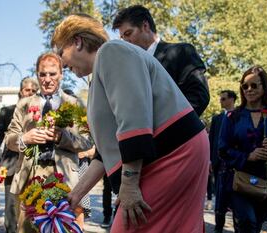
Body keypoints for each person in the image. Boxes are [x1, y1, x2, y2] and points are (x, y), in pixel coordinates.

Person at [52, 14, 209, 232]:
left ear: (77, 41)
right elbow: (104, 154)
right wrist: (76, 194)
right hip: (172, 153)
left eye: (61, 52)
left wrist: (129, 184)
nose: (63, 62)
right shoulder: (103, 68)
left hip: (172, 155)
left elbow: (133, 119)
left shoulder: (110, 52)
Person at [4, 52, 93, 233]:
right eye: (42, 74)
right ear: (37, 74)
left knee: (63, 229)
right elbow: (9, 139)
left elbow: (87, 141)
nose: (47, 79)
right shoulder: (24, 104)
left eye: (52, 74)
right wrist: (24, 139)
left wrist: (62, 137)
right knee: (27, 229)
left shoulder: (75, 104)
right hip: (30, 176)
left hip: (64, 176)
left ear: (61, 74)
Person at [112, 5, 209, 116]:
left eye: (128, 33)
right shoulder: (131, 69)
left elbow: (199, 96)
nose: (126, 41)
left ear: (145, 26)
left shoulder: (182, 52)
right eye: (122, 38)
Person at [218, 66, 267, 232]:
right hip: (239, 181)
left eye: (254, 85)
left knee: (256, 225)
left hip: (265, 183)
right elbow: (222, 149)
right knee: (247, 222)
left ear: (264, 87)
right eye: (245, 86)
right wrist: (248, 156)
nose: (249, 90)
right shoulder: (233, 117)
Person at [0, 77, 39, 229]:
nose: (30, 93)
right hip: (12, 165)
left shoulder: (42, 111)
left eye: (34, 91)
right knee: (11, 212)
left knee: (32, 213)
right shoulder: (7, 111)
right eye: (28, 90)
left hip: (35, 168)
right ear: (21, 91)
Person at [209, 90, 238, 233]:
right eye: (220, 99)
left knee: (236, 200)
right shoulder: (217, 119)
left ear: (232, 99)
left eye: (223, 99)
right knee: (219, 199)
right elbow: (211, 141)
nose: (220, 101)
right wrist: (209, 160)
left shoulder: (241, 116)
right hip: (218, 165)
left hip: (236, 165)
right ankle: (218, 228)